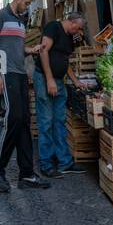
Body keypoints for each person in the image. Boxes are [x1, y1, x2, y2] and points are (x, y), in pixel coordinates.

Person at [0, 0, 50, 192]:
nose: (28, 7)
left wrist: (31, 49)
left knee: (24, 121)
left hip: (21, 73)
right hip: (6, 72)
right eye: (27, 3)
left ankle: (27, 174)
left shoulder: (21, 22)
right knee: (13, 117)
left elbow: (17, 48)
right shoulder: (1, 16)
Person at [35, 13, 86, 176]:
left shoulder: (69, 37)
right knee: (46, 121)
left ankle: (64, 162)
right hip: (44, 78)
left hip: (58, 81)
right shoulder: (53, 28)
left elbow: (65, 61)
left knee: (60, 120)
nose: (78, 31)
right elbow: (43, 52)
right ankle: (46, 164)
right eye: (78, 27)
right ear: (71, 22)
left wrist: (76, 81)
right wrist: (49, 79)